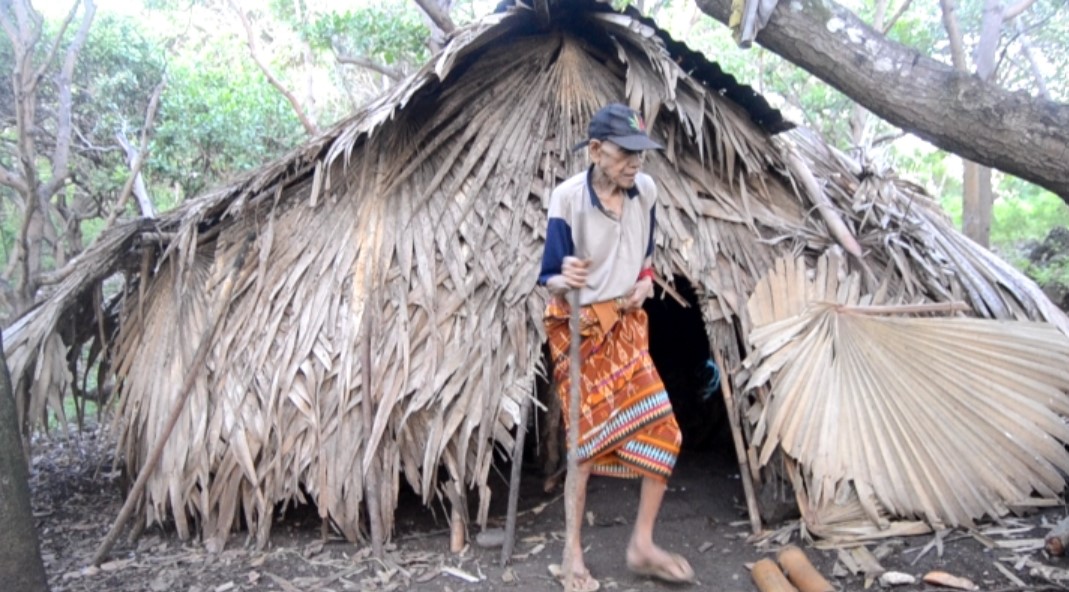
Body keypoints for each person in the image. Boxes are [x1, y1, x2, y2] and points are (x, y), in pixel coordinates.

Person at [538, 103, 695, 591]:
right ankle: (572, 557)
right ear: (596, 151)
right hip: (581, 327)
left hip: (625, 324)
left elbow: (645, 253)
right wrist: (566, 275)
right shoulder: (567, 199)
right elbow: (549, 276)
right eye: (625, 154)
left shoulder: (645, 192)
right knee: (582, 449)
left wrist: (646, 280)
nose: (635, 163)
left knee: (666, 432)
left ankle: (641, 545)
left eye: (640, 154)